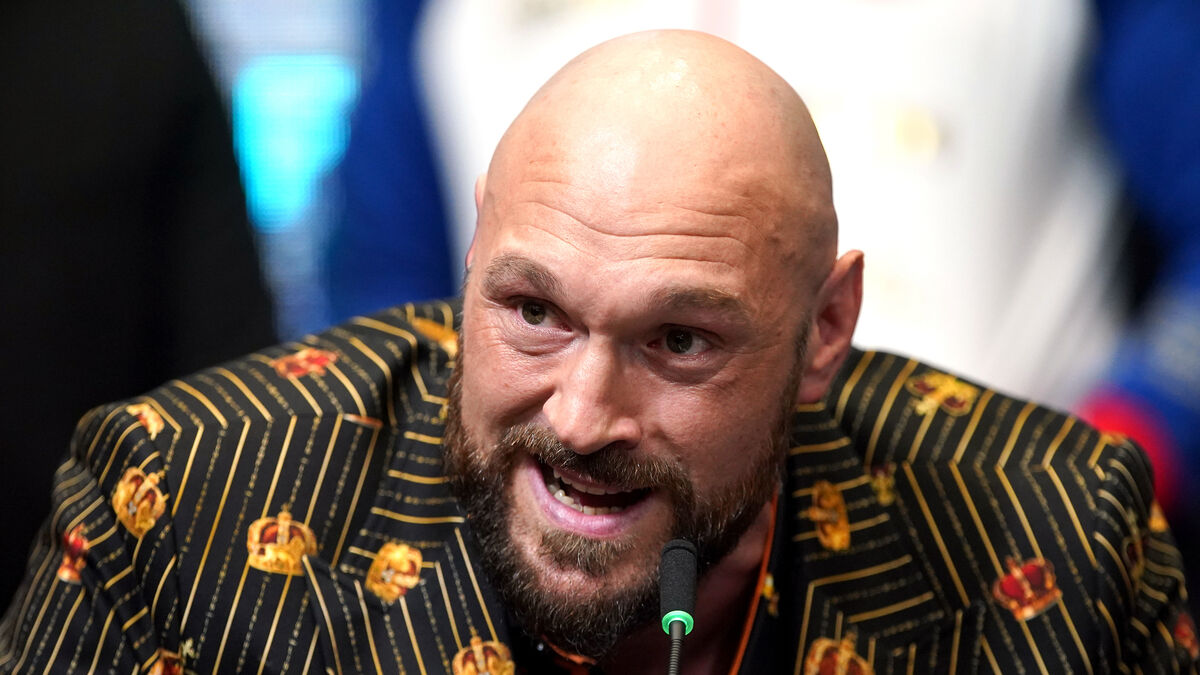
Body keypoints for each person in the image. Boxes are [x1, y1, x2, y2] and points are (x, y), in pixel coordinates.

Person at [1, 30, 1194, 674]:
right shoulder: (178, 517)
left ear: (825, 330)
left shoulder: (1064, 537)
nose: (579, 416)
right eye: (533, 312)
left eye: (680, 340)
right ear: (474, 255)